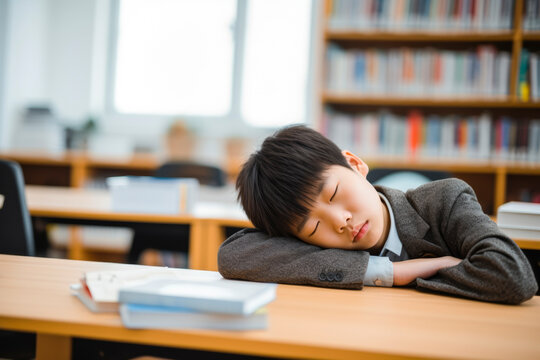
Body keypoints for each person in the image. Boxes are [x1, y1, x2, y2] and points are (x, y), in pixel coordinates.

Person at [218, 125, 538, 304]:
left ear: (355, 165)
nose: (339, 221)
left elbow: (514, 276)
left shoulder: (446, 199)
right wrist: (391, 273)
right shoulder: (315, 249)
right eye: (314, 227)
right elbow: (234, 255)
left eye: (333, 194)